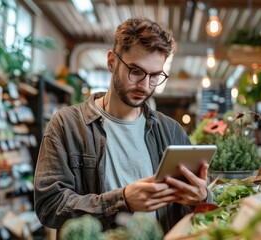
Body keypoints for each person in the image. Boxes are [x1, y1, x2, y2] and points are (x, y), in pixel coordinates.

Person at [34, 17, 211, 234]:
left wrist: (201, 198)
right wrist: (122, 200)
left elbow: (194, 211)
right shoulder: (66, 125)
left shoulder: (171, 131)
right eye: (135, 71)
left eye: (155, 76)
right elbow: (49, 206)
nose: (145, 85)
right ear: (112, 61)